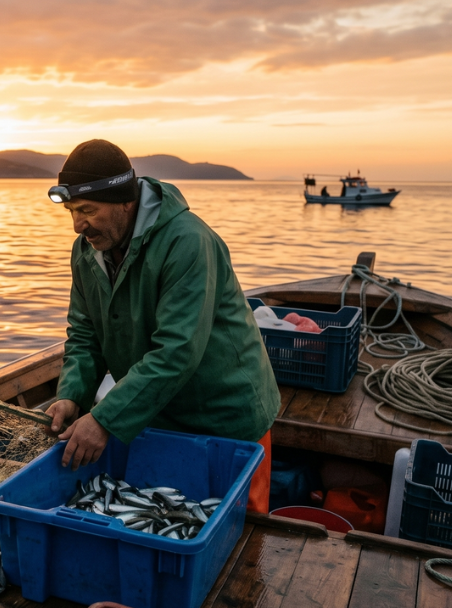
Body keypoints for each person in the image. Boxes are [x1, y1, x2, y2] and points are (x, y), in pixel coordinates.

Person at [44, 139, 280, 513]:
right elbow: (85, 333)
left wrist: (104, 419)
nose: (77, 225)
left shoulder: (187, 242)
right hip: (156, 413)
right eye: (71, 211)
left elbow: (177, 351)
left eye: (88, 210)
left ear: (126, 201)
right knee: (163, 518)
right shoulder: (87, 250)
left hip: (226, 419)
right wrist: (72, 394)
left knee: (239, 543)